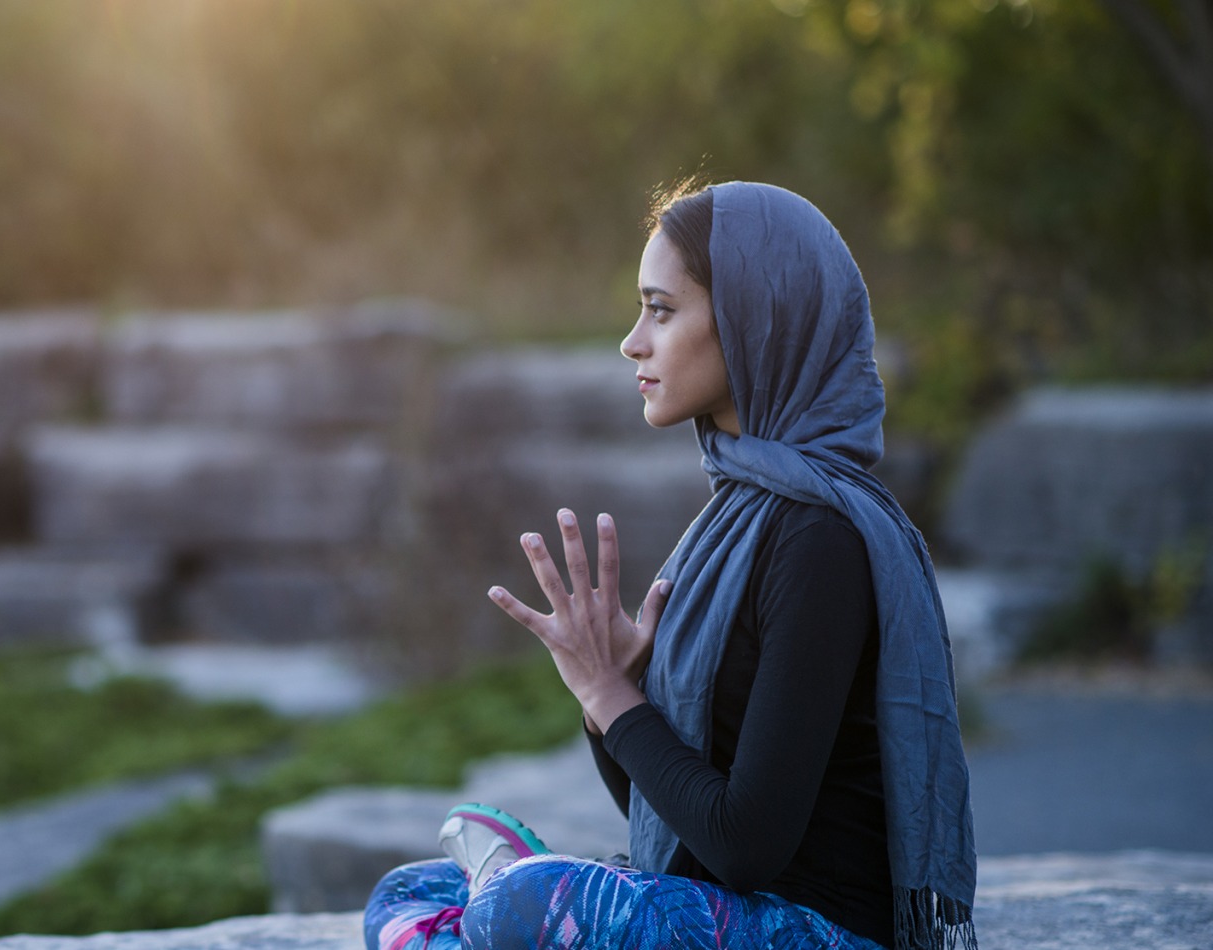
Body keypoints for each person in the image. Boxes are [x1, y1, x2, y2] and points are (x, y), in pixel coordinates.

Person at [363, 182, 977, 950]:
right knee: (409, 891)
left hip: (820, 933)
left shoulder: (822, 540)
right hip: (724, 913)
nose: (632, 342)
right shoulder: (740, 517)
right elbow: (669, 820)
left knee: (521, 904)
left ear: (756, 322)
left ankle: (508, 890)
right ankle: (504, 891)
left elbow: (745, 848)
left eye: (660, 309)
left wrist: (614, 696)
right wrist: (607, 707)